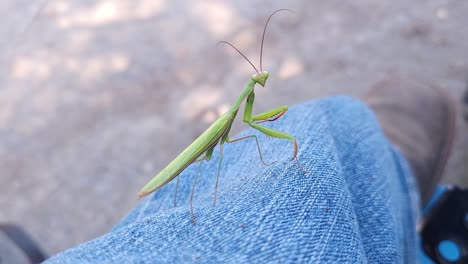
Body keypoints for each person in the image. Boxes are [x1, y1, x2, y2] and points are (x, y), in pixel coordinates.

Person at [7, 77, 458, 263]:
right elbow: (233, 139)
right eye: (256, 80)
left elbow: (250, 128)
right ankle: (376, 162)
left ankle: (368, 154)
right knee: (239, 160)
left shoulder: (242, 114)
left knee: (273, 138)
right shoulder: (235, 116)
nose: (261, 80)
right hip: (177, 174)